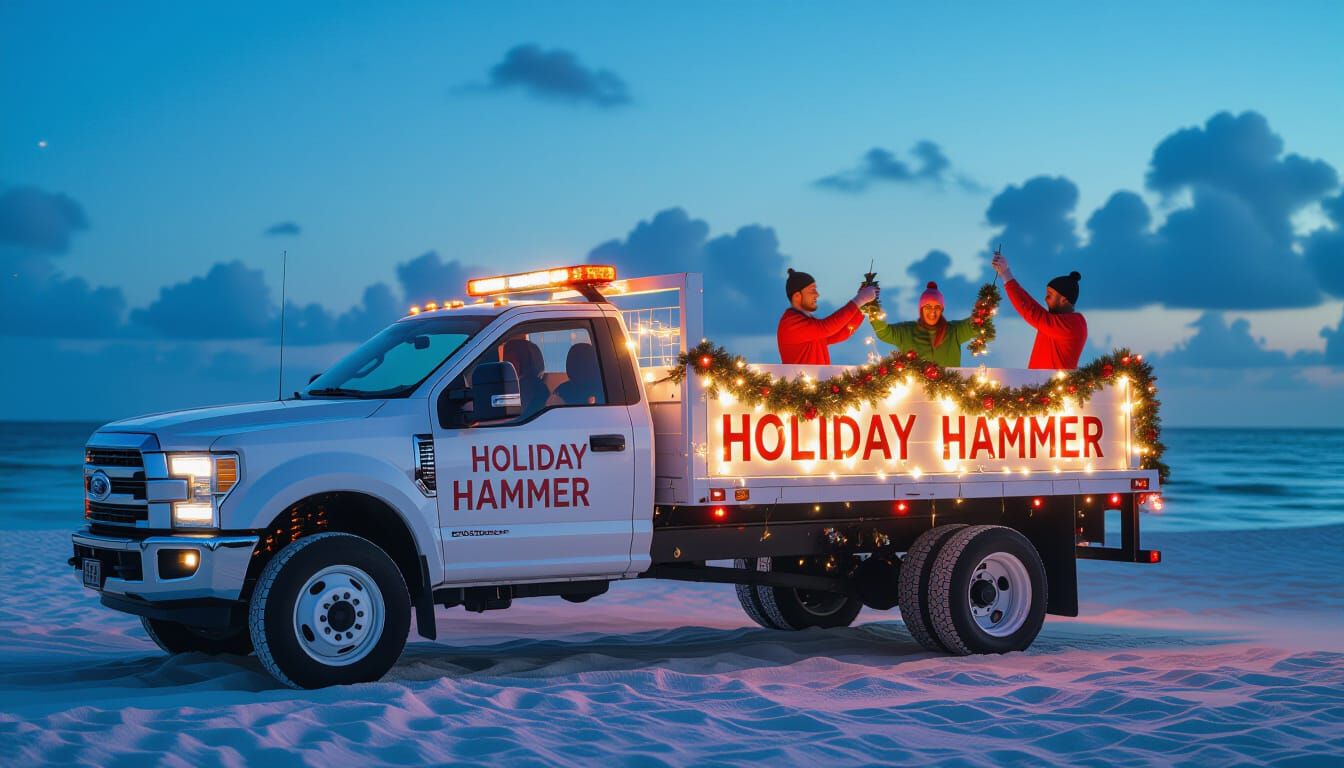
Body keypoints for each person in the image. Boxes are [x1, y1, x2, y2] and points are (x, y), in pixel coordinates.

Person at [990, 252, 1087, 369]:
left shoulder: (1071, 324)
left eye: (1050, 295)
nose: (1045, 298)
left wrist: (1006, 273)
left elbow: (1030, 310)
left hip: (1052, 381)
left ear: (1064, 300)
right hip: (1038, 381)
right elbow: (1032, 307)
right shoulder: (1059, 321)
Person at [776, 268, 879, 364]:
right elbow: (827, 328)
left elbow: (841, 332)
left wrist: (862, 306)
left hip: (819, 378)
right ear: (797, 296)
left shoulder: (808, 323)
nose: (817, 294)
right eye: (812, 290)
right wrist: (860, 299)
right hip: (801, 378)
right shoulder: (790, 323)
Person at [869, 281, 978, 367]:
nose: (932, 311)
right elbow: (884, 332)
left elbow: (978, 323)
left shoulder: (954, 331)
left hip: (949, 389)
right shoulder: (906, 332)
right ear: (921, 309)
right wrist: (872, 305)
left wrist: (984, 306)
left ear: (942, 310)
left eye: (937, 307)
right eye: (928, 307)